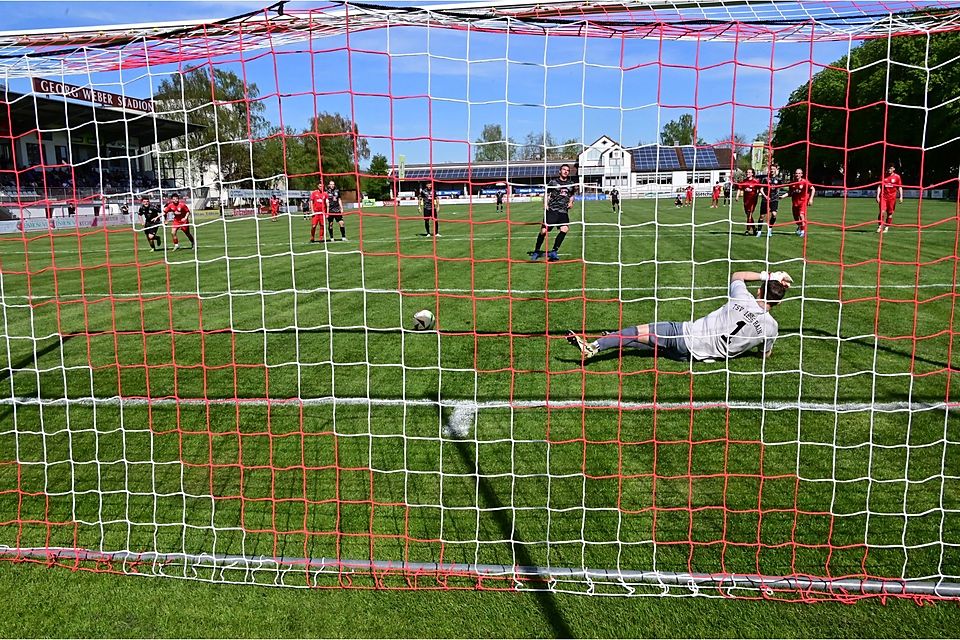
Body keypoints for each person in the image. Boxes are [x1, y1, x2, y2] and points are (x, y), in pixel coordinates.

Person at [566, 270, 791, 363]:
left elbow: (737, 274)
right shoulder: (772, 327)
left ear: (760, 291)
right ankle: (614, 338)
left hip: (685, 334)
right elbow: (765, 355)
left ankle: (593, 346)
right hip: (695, 358)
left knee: (638, 331)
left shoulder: (742, 296)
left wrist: (769, 274)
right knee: (649, 344)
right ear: (779, 303)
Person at [529, 163, 576, 262]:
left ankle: (554, 251)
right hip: (552, 210)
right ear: (560, 171)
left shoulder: (571, 183)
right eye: (564, 169)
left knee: (564, 229)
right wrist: (545, 203)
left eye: (567, 170)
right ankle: (537, 251)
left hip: (563, 211)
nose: (565, 171)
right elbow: (547, 192)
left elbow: (572, 195)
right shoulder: (553, 182)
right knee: (544, 231)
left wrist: (571, 202)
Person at [758, 163, 784, 238]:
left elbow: (780, 187)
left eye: (773, 169)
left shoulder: (778, 179)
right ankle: (759, 231)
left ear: (776, 170)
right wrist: (765, 196)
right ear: (769, 170)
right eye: (771, 169)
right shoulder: (765, 179)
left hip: (774, 199)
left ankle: (770, 229)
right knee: (762, 216)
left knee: (774, 214)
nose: (772, 170)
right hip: (765, 199)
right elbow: (761, 189)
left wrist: (778, 195)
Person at [876, 164, 903, 233]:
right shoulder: (883, 176)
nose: (889, 170)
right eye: (888, 168)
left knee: (890, 213)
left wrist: (901, 196)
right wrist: (877, 196)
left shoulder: (897, 177)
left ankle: (887, 227)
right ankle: (880, 226)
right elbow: (879, 186)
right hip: (883, 197)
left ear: (893, 169)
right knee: (882, 211)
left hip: (892, 198)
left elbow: (899, 187)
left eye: (891, 168)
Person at [788, 168, 815, 237]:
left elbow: (813, 189)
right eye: (796, 173)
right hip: (795, 202)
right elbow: (790, 192)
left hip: (803, 201)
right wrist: (782, 196)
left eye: (799, 173)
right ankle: (800, 227)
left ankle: (803, 231)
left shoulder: (805, 182)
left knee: (801, 215)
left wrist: (811, 199)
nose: (797, 175)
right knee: (796, 219)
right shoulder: (792, 183)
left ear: (801, 174)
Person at [735, 168, 761, 236]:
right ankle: (754, 228)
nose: (747, 173)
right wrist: (737, 196)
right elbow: (739, 189)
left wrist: (757, 195)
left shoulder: (755, 181)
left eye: (749, 172)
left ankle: (747, 230)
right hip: (746, 201)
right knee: (748, 215)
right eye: (747, 172)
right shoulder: (744, 181)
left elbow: (759, 189)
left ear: (752, 173)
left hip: (753, 201)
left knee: (749, 214)